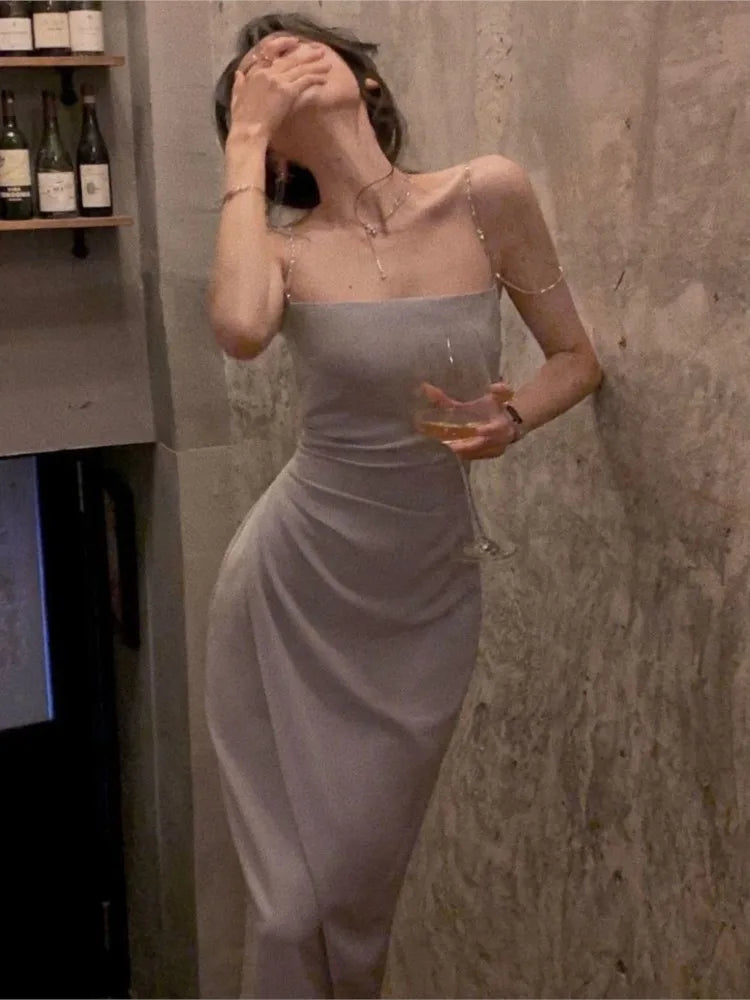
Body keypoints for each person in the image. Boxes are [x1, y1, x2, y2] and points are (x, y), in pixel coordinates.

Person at [205, 12, 602, 999]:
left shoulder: (485, 196)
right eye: (257, 68)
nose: (280, 59)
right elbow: (241, 328)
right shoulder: (283, 254)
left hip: (425, 594)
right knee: (290, 907)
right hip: (292, 590)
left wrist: (513, 420)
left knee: (356, 894)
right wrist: (245, 144)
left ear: (367, 82)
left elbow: (575, 359)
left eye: (300, 45)